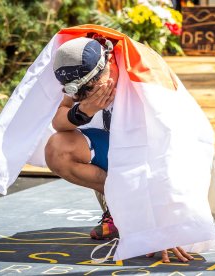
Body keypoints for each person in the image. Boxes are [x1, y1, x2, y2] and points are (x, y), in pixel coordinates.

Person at [44, 35, 195, 263]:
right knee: (57, 148)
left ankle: (137, 209)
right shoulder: (82, 74)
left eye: (91, 89)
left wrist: (164, 223)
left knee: (183, 221)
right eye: (80, 94)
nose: (87, 96)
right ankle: (120, 206)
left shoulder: (145, 76)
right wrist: (82, 111)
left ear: (107, 66)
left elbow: (170, 150)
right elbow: (58, 122)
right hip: (119, 150)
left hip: (163, 157)